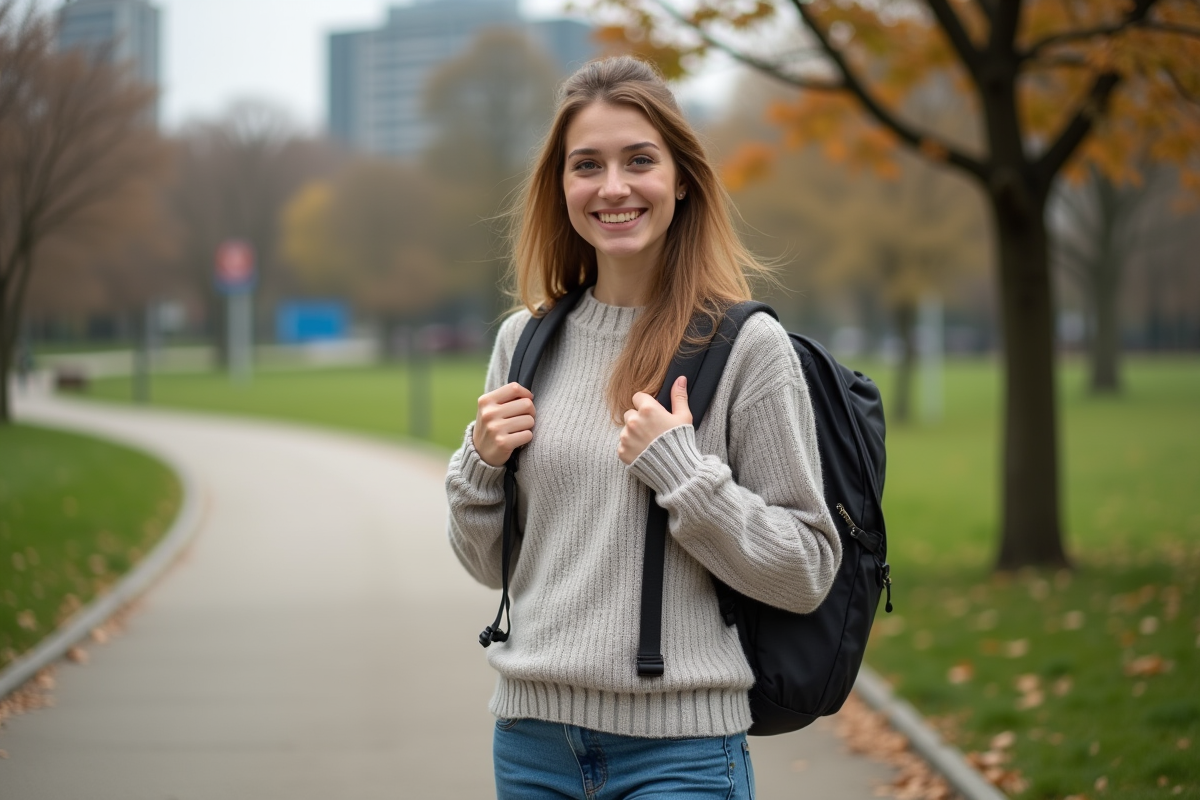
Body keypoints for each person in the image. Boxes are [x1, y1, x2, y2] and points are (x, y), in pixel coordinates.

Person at [445, 55, 841, 800]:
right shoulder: (523, 342)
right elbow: (487, 565)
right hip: (531, 745)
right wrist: (480, 465)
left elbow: (806, 570)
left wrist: (684, 475)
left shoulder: (746, 347)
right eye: (586, 165)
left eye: (639, 160)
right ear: (561, 186)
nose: (613, 187)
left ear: (681, 178)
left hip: (680, 754)